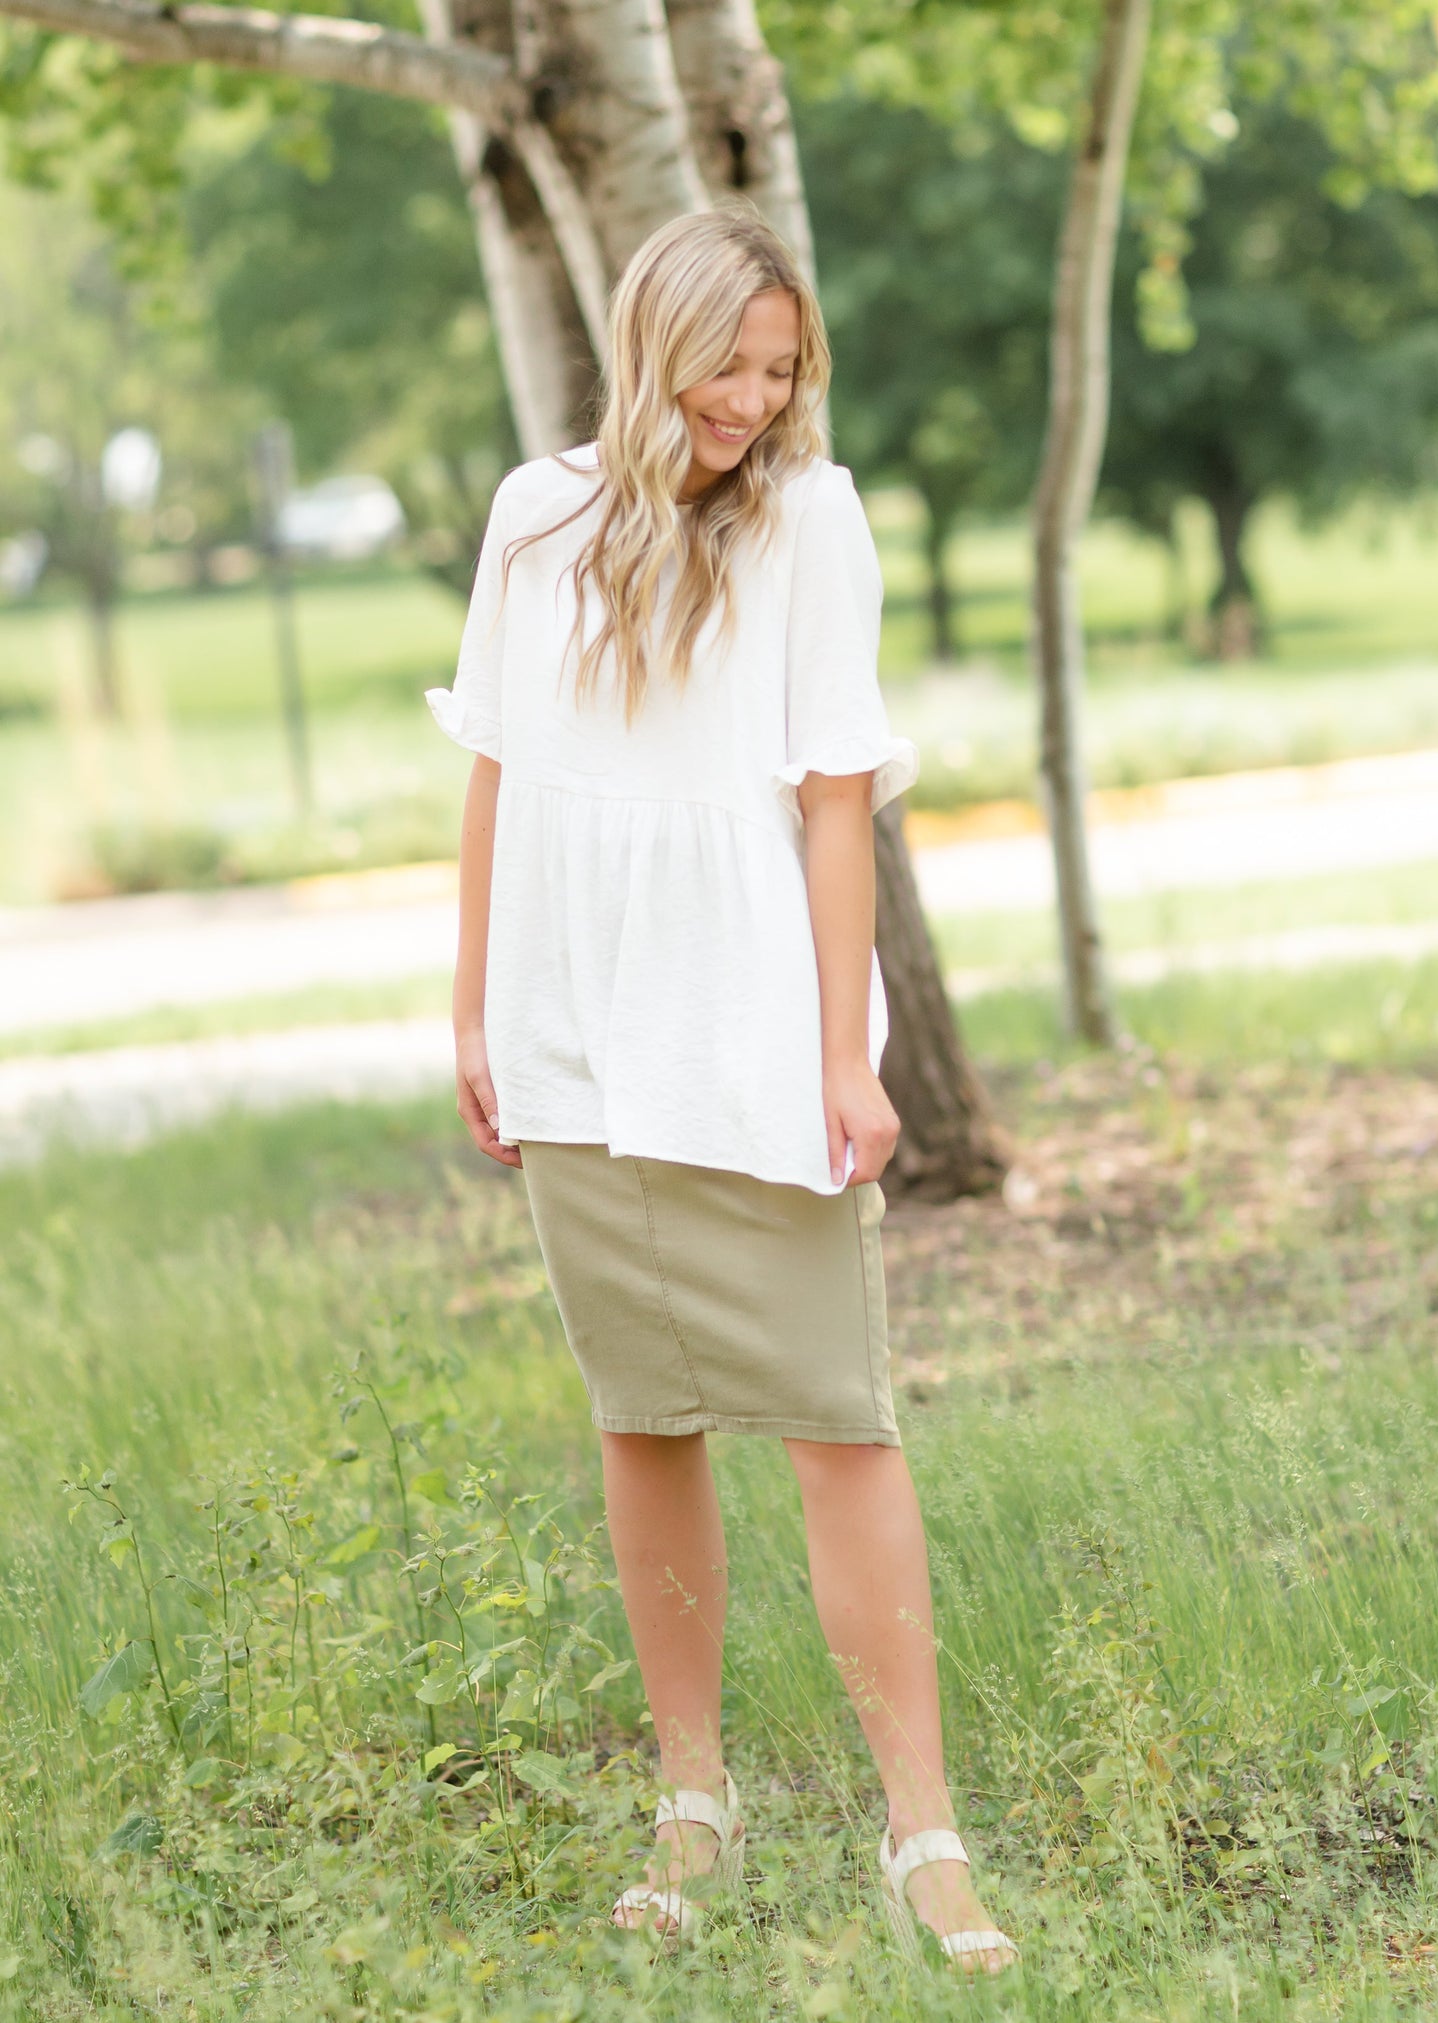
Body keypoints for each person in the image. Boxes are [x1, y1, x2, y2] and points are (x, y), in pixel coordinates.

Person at [426, 203, 1017, 1975]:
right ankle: (695, 1797)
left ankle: (922, 1830)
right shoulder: (536, 519)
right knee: (643, 1409)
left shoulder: (808, 525)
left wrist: (848, 1050)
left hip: (742, 1018)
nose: (754, 400)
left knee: (837, 1416)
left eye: (781, 369)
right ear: (648, 341)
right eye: (729, 363)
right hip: (572, 1022)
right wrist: (473, 1010)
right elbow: (495, 776)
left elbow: (837, 793)